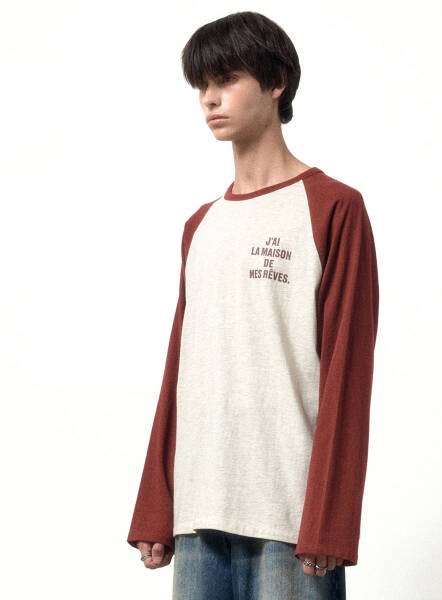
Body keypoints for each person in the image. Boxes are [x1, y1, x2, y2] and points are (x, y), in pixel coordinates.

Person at [126, 10, 379, 600]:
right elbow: (180, 368)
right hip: (198, 514)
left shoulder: (333, 208)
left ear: (276, 83)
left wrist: (330, 520)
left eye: (227, 79)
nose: (209, 99)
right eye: (201, 86)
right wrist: (156, 505)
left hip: (290, 519)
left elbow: (347, 371)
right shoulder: (201, 226)